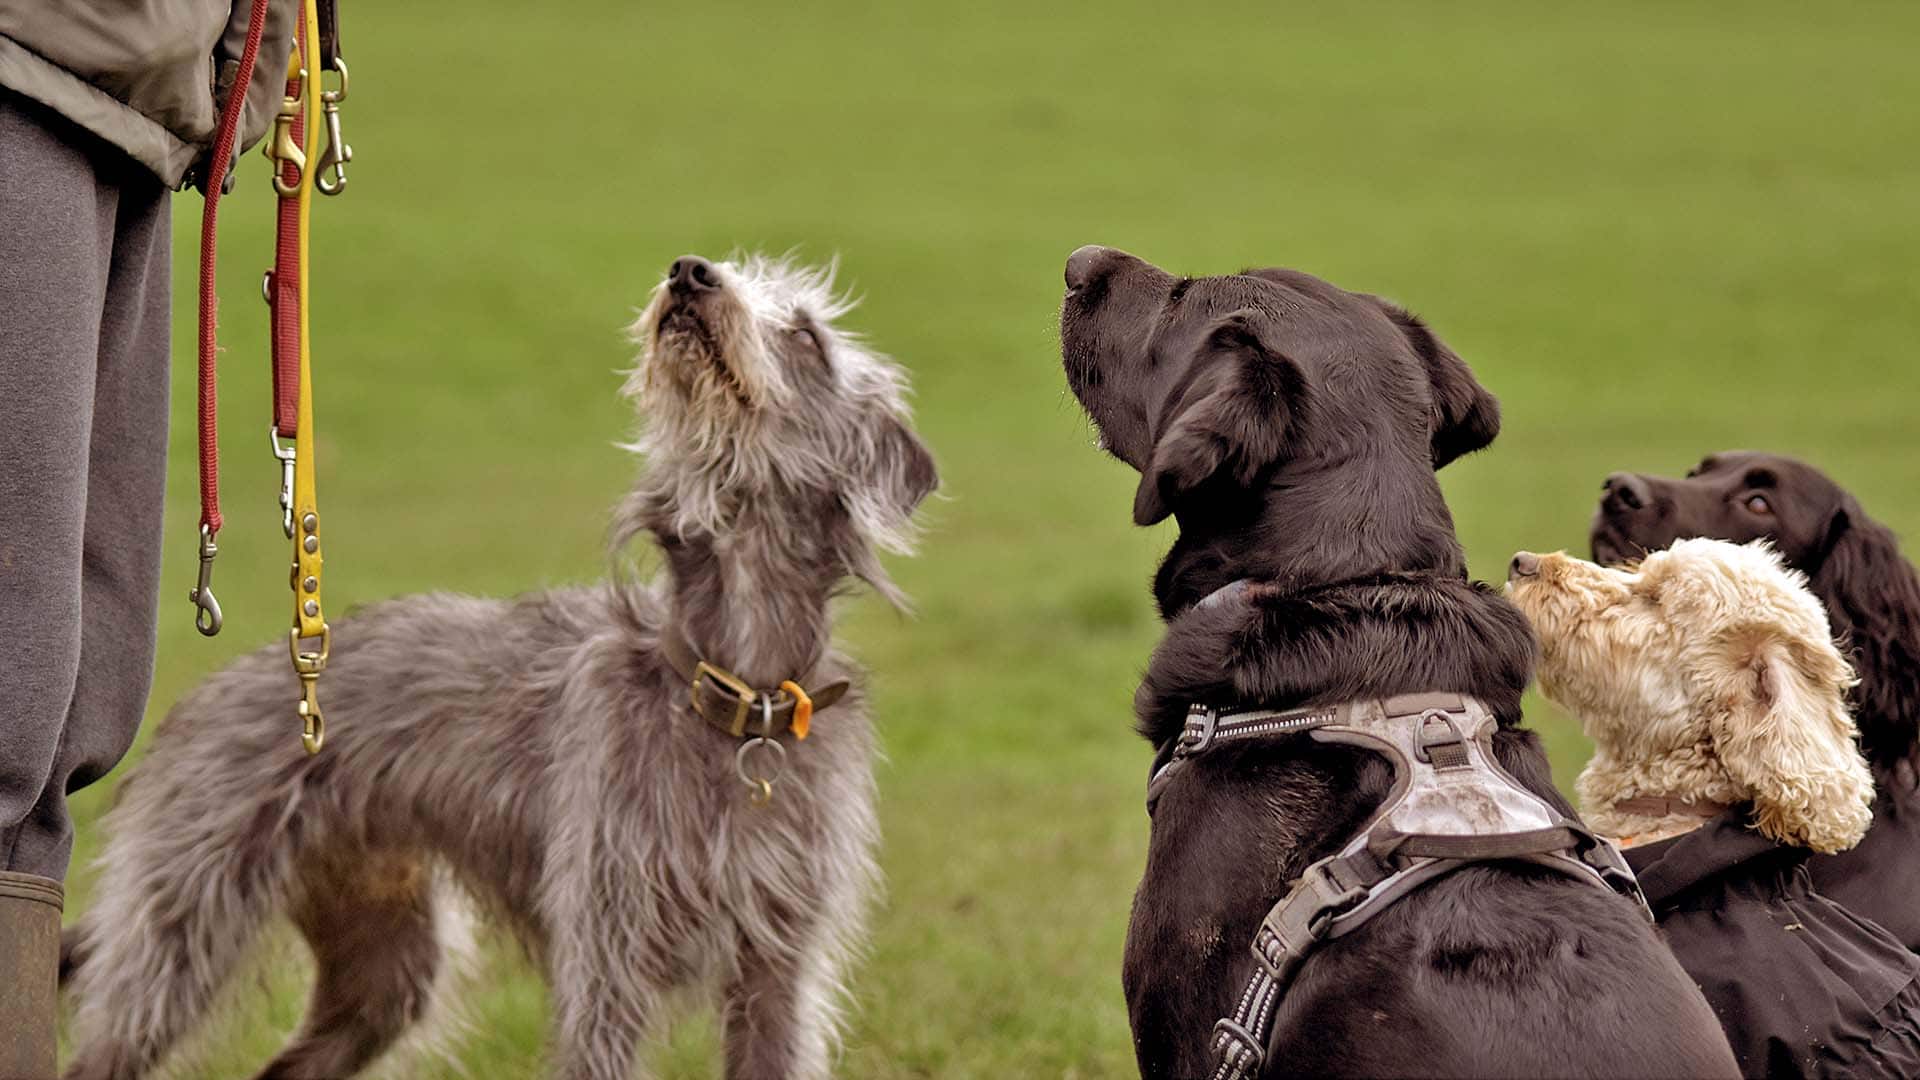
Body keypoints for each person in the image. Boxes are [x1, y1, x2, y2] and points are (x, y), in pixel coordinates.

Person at [0, 3, 296, 1072]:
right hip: (27, 65)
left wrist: (244, 68)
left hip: (139, 102)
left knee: (77, 695)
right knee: (9, 686)